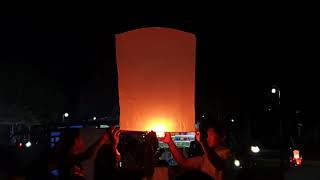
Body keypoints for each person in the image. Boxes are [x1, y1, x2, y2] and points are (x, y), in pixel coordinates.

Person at [160, 123, 232, 180]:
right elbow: (184, 162)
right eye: (207, 136)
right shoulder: (205, 158)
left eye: (210, 135)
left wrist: (202, 142)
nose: (207, 138)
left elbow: (216, 162)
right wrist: (170, 141)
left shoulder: (226, 153)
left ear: (222, 137)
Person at [51, 127, 118, 180]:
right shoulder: (67, 159)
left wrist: (113, 145)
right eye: (80, 138)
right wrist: (106, 136)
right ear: (75, 141)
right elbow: (89, 154)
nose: (83, 141)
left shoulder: (67, 159)